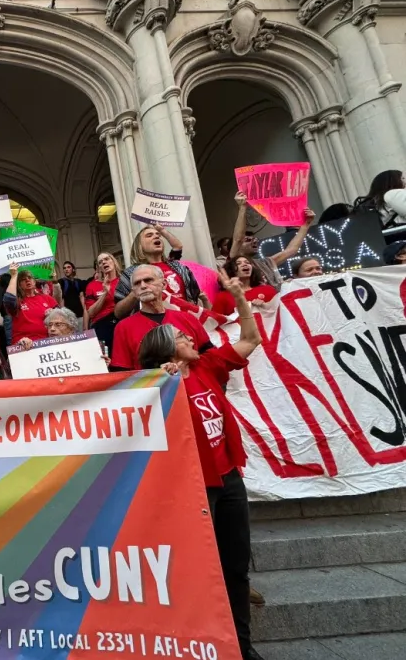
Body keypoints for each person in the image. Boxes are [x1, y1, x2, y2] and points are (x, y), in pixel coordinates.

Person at [138, 271, 264, 660]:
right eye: (181, 337)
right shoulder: (155, 386)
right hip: (194, 489)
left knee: (236, 568)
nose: (192, 338)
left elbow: (250, 340)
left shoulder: (209, 365)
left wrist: (240, 299)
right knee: (200, 571)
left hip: (229, 481)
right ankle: (207, 644)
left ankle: (242, 646)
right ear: (166, 350)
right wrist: (159, 383)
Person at [111, 265, 213, 371]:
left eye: (148, 280)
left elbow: (211, 356)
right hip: (151, 382)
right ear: (134, 291)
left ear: (163, 284)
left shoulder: (188, 318)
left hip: (194, 380)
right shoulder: (123, 328)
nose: (143, 286)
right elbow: (121, 373)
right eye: (137, 283)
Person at [229, 191, 315, 290]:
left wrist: (306, 224)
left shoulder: (265, 263)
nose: (255, 241)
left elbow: (291, 250)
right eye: (248, 240)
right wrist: (242, 207)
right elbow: (238, 239)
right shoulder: (233, 262)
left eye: (255, 239)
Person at [114, 224, 202, 318]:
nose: (156, 236)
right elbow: (118, 313)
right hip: (154, 324)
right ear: (139, 245)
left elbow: (178, 246)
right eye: (149, 235)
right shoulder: (132, 273)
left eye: (158, 235)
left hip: (185, 320)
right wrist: (136, 292)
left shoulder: (178, 267)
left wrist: (162, 230)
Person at [3, 263, 58, 345]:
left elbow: (61, 317)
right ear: (19, 284)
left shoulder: (46, 298)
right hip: (23, 344)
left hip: (46, 343)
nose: (27, 280)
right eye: (23, 279)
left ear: (34, 281)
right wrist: (14, 276)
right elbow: (8, 299)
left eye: (29, 278)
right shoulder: (17, 301)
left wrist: (53, 314)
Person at [212, 256, 278, 316]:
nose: (244, 264)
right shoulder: (223, 296)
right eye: (238, 263)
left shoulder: (268, 290)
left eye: (247, 262)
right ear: (231, 270)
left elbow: (279, 312)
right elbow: (215, 321)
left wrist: (265, 306)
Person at [83, 252, 122, 349]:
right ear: (99, 268)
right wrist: (104, 293)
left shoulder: (123, 281)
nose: (104, 262)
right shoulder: (92, 285)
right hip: (102, 326)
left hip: (122, 322)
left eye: (107, 259)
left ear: (114, 261)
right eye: (100, 262)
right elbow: (91, 313)